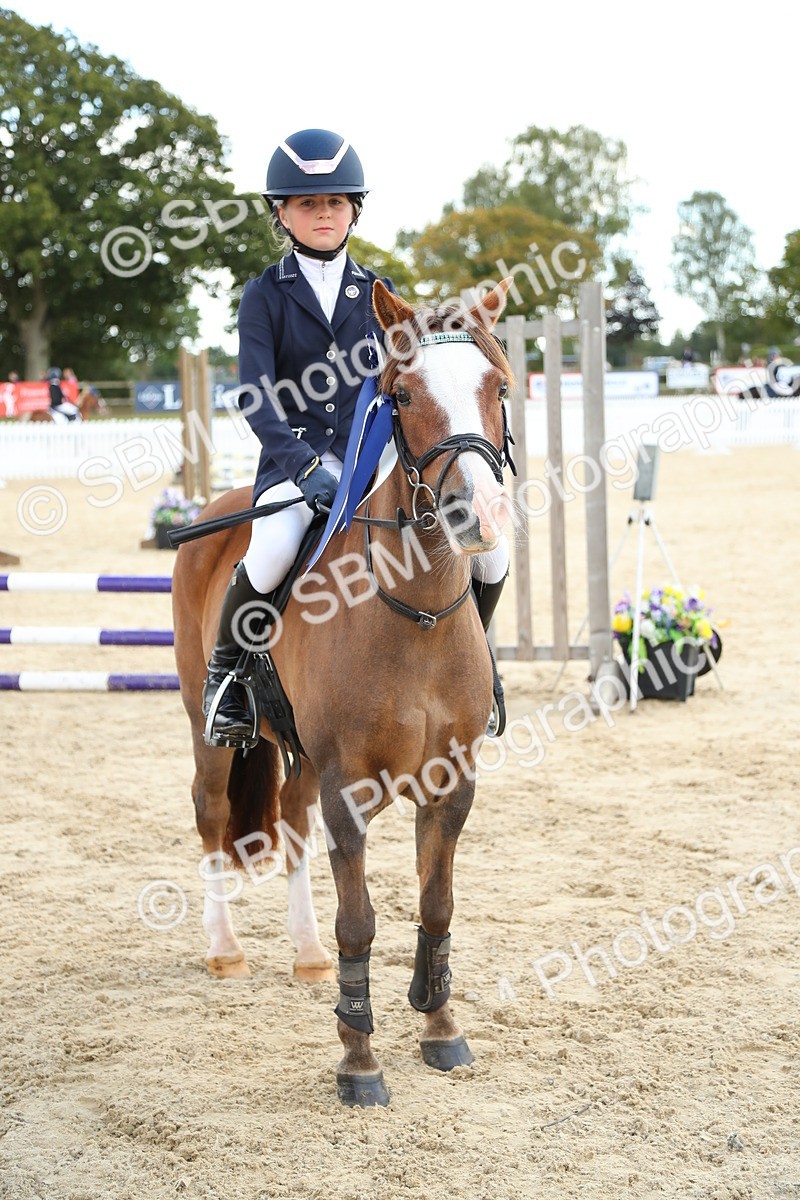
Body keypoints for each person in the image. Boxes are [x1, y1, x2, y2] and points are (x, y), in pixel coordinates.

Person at [202, 128, 510, 747]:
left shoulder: (378, 291)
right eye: (308, 204)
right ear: (282, 214)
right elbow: (256, 396)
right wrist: (303, 466)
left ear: (354, 210)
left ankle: (479, 669)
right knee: (271, 548)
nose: (324, 213)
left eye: (335, 203)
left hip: (375, 461)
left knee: (491, 551)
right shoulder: (264, 295)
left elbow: (406, 380)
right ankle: (226, 680)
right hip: (294, 468)